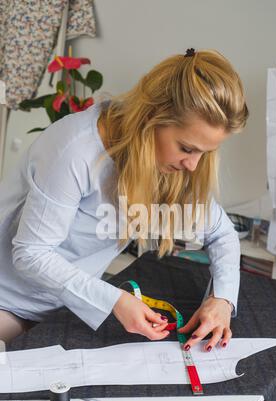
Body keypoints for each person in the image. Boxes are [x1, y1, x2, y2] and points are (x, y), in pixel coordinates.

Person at [0, 48, 249, 349]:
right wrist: (114, 300)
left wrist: (221, 299)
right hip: (8, 302)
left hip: (66, 308)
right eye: (186, 148)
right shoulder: (74, 150)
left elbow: (222, 233)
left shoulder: (165, 163)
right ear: (152, 117)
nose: (193, 165)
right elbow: (31, 253)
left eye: (204, 152)